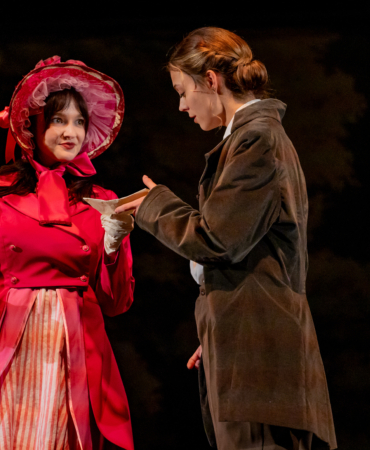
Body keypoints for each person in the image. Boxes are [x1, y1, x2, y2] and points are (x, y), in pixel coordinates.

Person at [116, 27, 337, 449]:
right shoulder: (251, 137)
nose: (182, 105)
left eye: (182, 91)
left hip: (260, 360)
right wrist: (221, 326)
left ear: (211, 80)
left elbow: (216, 240)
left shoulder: (257, 139)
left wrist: (154, 205)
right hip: (248, 348)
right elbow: (248, 250)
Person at [0, 56, 135, 450]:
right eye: (59, 120)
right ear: (32, 124)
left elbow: (116, 304)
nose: (71, 132)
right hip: (5, 347)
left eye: (79, 122)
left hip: (72, 354)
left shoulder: (103, 201)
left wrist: (113, 248)